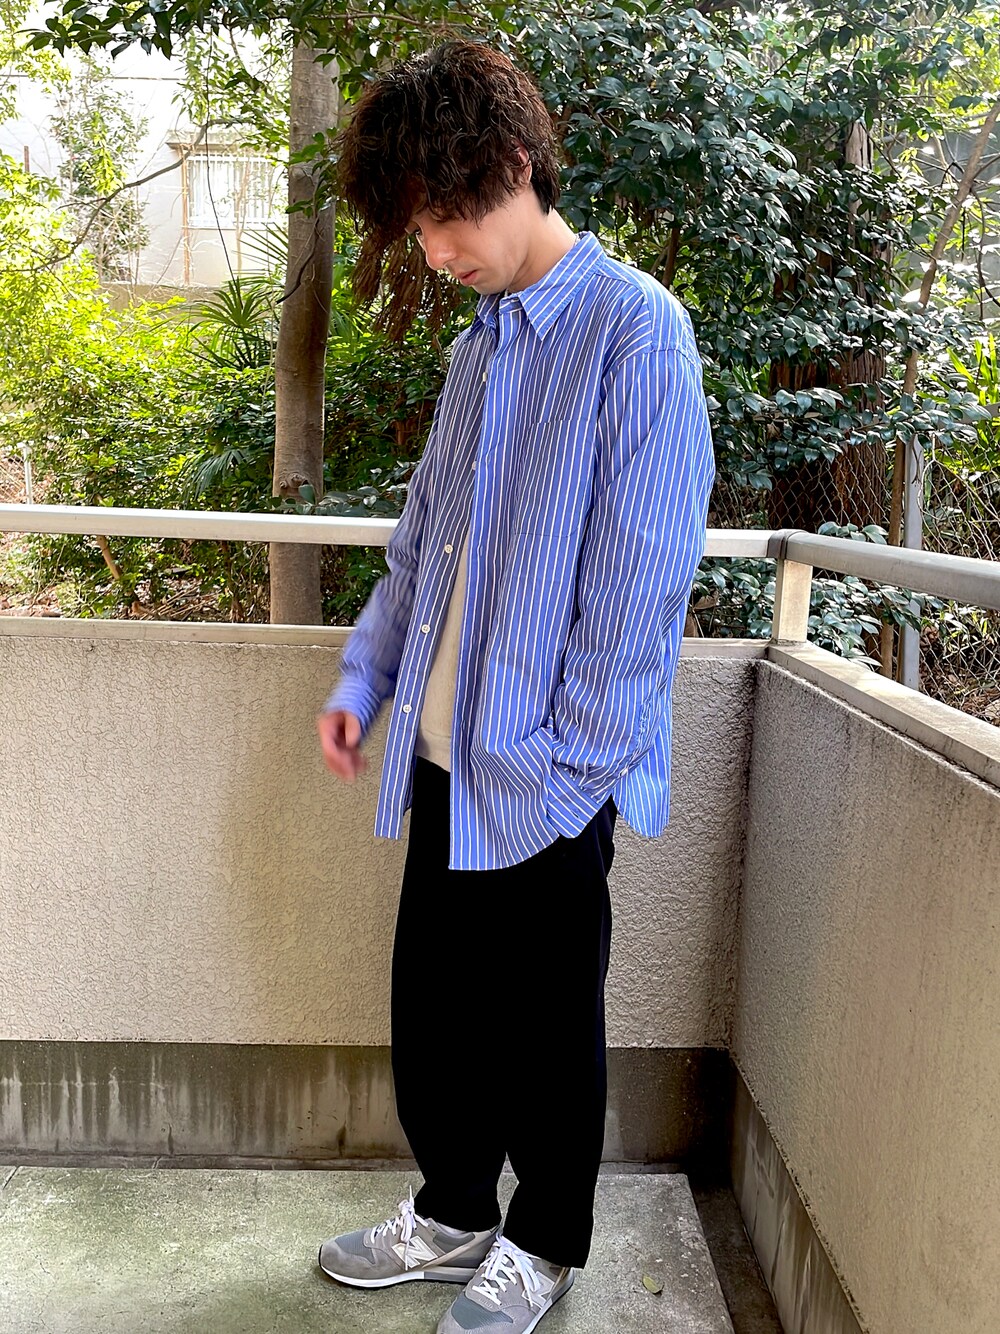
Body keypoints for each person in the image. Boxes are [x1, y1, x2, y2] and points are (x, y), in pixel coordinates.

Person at [315, 38, 715, 1334]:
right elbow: (424, 546)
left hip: (547, 769)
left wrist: (563, 767)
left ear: (520, 166)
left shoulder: (635, 330)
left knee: (545, 1024)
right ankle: (451, 1212)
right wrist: (367, 677)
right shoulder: (481, 348)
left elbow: (641, 586)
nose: (435, 250)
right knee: (436, 1008)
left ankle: (540, 1242)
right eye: (417, 227)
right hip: (442, 750)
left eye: (449, 216)